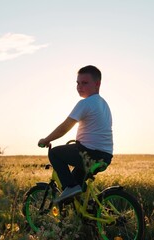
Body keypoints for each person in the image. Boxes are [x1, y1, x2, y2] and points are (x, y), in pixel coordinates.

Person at [38, 65, 113, 203]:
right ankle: (88, 216)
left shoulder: (85, 103)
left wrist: (46, 139)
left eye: (84, 83)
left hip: (88, 155)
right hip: (105, 157)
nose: (79, 86)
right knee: (76, 194)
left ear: (97, 84)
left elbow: (65, 127)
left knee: (55, 153)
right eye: (77, 83)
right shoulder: (104, 104)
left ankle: (71, 187)